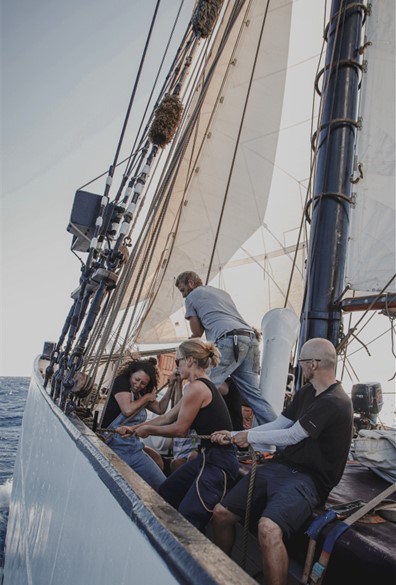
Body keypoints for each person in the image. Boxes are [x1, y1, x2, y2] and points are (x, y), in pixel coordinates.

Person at [210, 338, 354, 585]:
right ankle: (226, 576)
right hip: (280, 466)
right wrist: (232, 435)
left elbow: (293, 435)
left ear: (313, 364)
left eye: (301, 362)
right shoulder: (307, 392)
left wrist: (249, 436)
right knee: (221, 514)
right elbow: (280, 424)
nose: (300, 367)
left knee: (268, 529)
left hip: (309, 480)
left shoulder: (335, 401)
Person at [116, 339, 240, 532]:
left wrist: (147, 430)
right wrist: (134, 429)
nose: (177, 366)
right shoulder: (196, 386)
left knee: (189, 517)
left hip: (219, 462)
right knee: (167, 491)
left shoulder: (197, 388)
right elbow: (167, 417)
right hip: (206, 457)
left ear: (189, 361)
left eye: (178, 361)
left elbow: (180, 429)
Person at [175, 271, 276, 425]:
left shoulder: (191, 296)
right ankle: (279, 436)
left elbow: (197, 333)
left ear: (190, 283)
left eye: (182, 290)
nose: (183, 295)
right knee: (254, 396)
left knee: (202, 383)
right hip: (250, 338)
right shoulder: (222, 293)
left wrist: (183, 351)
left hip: (229, 340)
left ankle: (179, 423)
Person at [101, 357, 172, 491]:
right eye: (137, 380)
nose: (138, 385)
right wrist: (146, 398)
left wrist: (171, 387)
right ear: (131, 374)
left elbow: (160, 409)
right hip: (115, 448)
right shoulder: (121, 382)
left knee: (162, 486)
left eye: (143, 383)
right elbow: (127, 410)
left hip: (134, 448)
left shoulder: (140, 393)